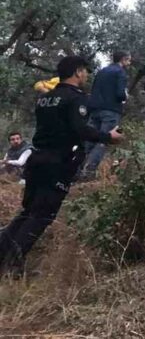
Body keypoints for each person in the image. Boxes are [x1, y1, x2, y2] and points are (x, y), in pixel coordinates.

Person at [0, 56, 123, 275]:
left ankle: (3, 254)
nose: (86, 75)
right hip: (57, 163)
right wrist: (108, 136)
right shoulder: (75, 98)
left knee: (29, 211)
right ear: (77, 72)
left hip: (37, 161)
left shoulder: (45, 98)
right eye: (84, 71)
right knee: (42, 215)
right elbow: (81, 129)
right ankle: (13, 266)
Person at [79, 50, 130, 181]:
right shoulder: (120, 72)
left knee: (90, 140)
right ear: (123, 59)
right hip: (111, 110)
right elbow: (120, 94)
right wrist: (125, 96)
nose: (129, 63)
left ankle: (78, 169)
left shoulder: (102, 71)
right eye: (128, 60)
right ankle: (88, 172)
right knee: (104, 140)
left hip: (95, 109)